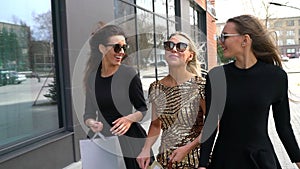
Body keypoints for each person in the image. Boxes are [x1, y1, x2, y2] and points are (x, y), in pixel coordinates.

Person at [198, 14, 300, 169]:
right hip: (225, 160)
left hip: (260, 160)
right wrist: (202, 164)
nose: (220, 41)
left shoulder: (275, 77)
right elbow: (210, 123)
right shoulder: (216, 76)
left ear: (245, 40)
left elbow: (283, 127)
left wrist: (298, 159)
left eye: (225, 36)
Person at [83, 24, 153, 169]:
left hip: (131, 140)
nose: (121, 52)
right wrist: (92, 123)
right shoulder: (92, 78)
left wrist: (129, 119)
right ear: (102, 48)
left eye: (124, 48)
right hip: (103, 139)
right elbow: (88, 114)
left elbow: (142, 109)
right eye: (116, 47)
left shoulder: (129, 74)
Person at [137, 32, 206, 169]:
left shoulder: (201, 85)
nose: (174, 49)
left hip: (194, 161)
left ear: (190, 56)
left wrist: (187, 148)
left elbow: (213, 126)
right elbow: (156, 125)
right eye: (169, 45)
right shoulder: (156, 88)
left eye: (181, 46)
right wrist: (145, 149)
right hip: (165, 161)